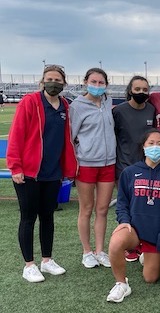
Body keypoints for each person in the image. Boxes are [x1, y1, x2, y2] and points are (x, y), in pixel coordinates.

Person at [7, 64, 77, 282]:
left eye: (57, 80)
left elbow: (65, 140)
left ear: (63, 83)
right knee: (28, 218)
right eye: (49, 79)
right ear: (42, 81)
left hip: (52, 173)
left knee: (48, 216)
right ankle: (29, 265)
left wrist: (67, 168)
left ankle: (47, 260)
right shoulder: (30, 102)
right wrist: (15, 166)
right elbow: (16, 134)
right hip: (28, 173)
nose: (53, 83)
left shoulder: (64, 105)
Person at [106, 129, 160, 303]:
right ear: (143, 147)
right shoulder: (129, 172)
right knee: (116, 243)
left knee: (150, 278)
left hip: (156, 234)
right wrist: (124, 221)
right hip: (133, 230)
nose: (156, 147)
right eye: (151, 143)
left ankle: (144, 254)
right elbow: (122, 203)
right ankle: (121, 284)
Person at [70, 68, 116, 269]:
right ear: (85, 82)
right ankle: (87, 252)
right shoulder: (77, 106)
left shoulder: (108, 102)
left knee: (103, 209)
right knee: (86, 209)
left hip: (108, 163)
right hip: (87, 164)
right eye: (93, 82)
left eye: (101, 82)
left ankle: (100, 250)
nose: (97, 86)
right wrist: (75, 162)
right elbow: (70, 138)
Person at [112, 76, 155, 262]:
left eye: (145, 89)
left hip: (146, 166)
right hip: (124, 167)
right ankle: (129, 246)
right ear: (130, 90)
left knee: (144, 206)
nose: (141, 93)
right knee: (127, 207)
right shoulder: (119, 111)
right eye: (137, 89)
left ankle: (142, 243)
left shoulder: (151, 110)